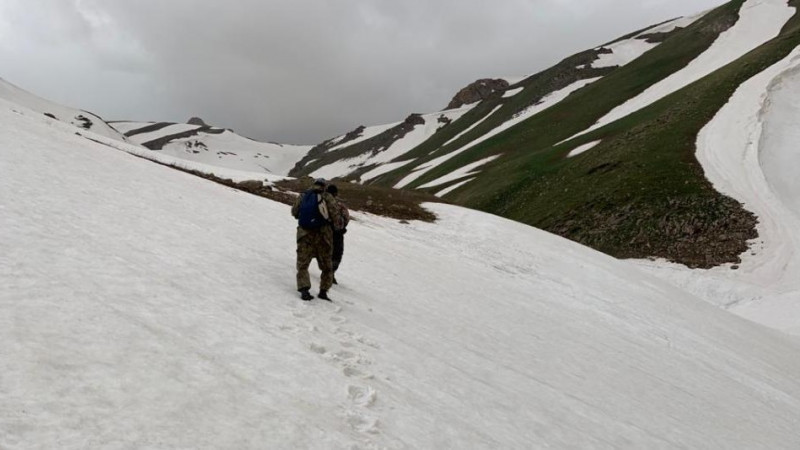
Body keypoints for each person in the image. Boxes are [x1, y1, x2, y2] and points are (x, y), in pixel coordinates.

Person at [291, 178, 339, 301]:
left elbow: (294, 212)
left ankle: (304, 290)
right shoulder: (327, 196)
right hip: (323, 236)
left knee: (303, 264)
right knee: (326, 266)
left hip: (304, 235)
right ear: (324, 186)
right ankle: (323, 291)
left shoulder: (303, 195)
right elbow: (335, 216)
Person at [326, 184, 350, 284]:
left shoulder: (322, 202)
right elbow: (346, 218)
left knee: (325, 252)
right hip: (337, 233)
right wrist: (342, 227)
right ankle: (330, 274)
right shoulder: (339, 205)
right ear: (336, 193)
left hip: (322, 231)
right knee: (337, 254)